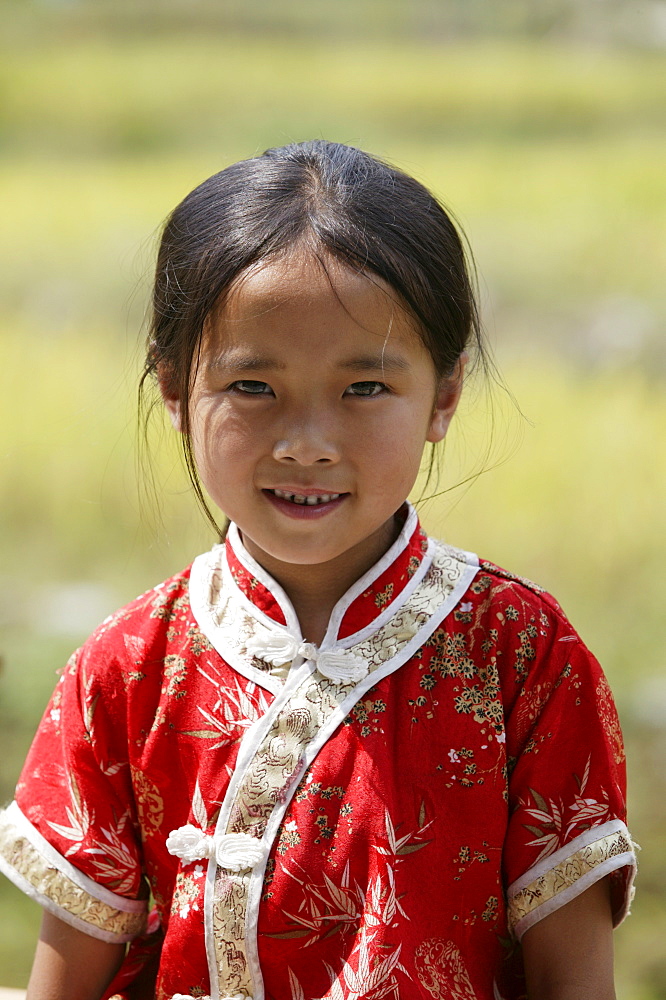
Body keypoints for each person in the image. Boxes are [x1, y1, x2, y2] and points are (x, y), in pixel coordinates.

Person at [0, 141, 636, 1000]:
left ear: (444, 396)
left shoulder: (522, 659)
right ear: (176, 389)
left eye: (364, 389)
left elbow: (575, 982)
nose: (306, 443)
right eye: (253, 386)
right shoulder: (128, 668)